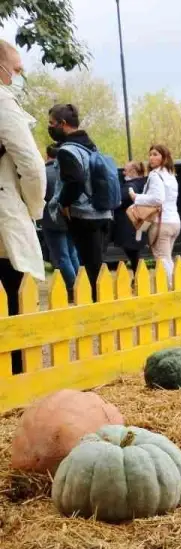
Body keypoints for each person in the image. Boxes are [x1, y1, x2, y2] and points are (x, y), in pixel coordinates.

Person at [0, 40, 46, 375]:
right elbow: (31, 165)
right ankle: (15, 376)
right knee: (14, 297)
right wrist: (34, 208)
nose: (17, 76)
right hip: (4, 216)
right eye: (15, 70)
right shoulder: (2, 101)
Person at [48, 102, 113, 292]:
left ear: (62, 123)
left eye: (52, 123)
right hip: (101, 211)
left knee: (89, 269)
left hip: (83, 215)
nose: (50, 128)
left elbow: (74, 180)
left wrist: (64, 203)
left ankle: (95, 308)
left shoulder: (68, 150)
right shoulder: (91, 147)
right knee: (97, 266)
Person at [129, 143, 181, 286]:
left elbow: (158, 198)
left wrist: (136, 197)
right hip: (174, 222)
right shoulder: (171, 175)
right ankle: (174, 285)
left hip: (161, 223)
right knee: (167, 257)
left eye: (155, 154)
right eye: (150, 154)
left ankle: (173, 288)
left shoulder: (155, 174)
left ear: (164, 157)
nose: (151, 158)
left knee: (162, 258)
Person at [42, 144, 79, 300]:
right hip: (69, 215)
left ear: (47, 155)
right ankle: (81, 284)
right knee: (72, 253)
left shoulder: (44, 173)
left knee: (62, 256)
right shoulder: (65, 171)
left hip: (51, 218)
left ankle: (72, 288)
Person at [112, 160, 146, 268]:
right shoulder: (143, 184)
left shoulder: (129, 187)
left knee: (132, 253)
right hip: (137, 223)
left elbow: (118, 201)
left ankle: (138, 275)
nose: (123, 173)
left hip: (129, 224)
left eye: (125, 170)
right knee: (134, 253)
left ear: (134, 171)